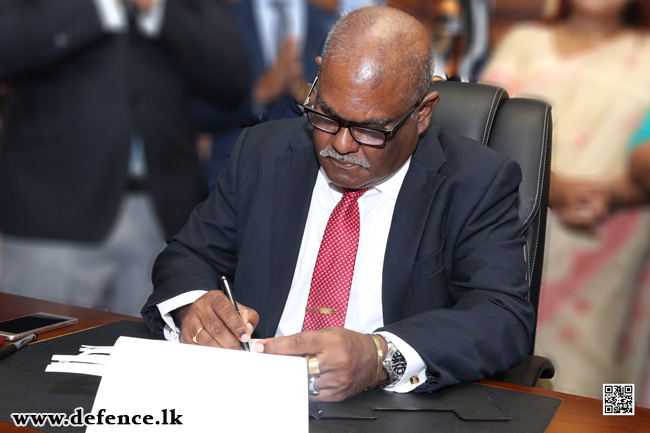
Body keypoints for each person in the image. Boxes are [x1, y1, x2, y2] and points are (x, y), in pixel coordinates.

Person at [142, 5, 535, 402]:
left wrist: (380, 356)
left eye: (369, 129)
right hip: (247, 394)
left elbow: (502, 317)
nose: (341, 146)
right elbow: (187, 255)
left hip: (384, 409)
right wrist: (195, 307)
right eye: (327, 116)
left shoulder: (475, 181)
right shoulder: (263, 152)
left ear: (422, 114)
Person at [0, 0, 249, 316]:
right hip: (52, 210)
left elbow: (231, 78)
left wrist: (157, 12)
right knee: (36, 355)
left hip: (165, 217)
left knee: (147, 357)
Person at [480, 0, 650, 401]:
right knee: (509, 357)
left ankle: (612, 426)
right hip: (516, 222)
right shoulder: (525, 43)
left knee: (607, 362)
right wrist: (552, 186)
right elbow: (484, 127)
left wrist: (611, 194)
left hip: (613, 239)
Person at [189, 0, 335, 189]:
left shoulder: (330, 25)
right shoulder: (218, 19)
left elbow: (342, 108)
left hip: (303, 176)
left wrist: (306, 96)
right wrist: (257, 95)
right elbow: (195, 109)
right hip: (231, 174)